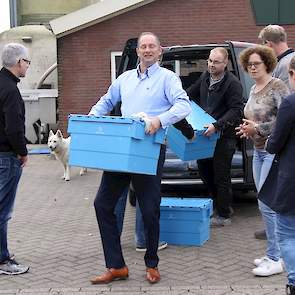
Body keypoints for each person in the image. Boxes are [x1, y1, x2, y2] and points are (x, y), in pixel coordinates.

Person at [88, 32, 191, 284]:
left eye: (151, 46)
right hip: (122, 149)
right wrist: (92, 117)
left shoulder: (168, 78)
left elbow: (183, 105)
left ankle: (152, 263)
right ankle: (116, 266)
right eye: (143, 46)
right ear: (138, 51)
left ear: (159, 51)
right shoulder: (124, 79)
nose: (147, 50)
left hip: (149, 148)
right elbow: (107, 100)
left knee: (149, 208)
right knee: (103, 204)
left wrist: (158, 120)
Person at [237, 45, 289, 277]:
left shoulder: (277, 86)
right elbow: (252, 118)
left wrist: (258, 128)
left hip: (273, 152)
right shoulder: (253, 89)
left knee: (268, 205)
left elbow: (286, 119)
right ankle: (272, 253)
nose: (252, 67)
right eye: (249, 64)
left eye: (256, 63)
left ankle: (278, 257)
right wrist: (247, 129)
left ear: (267, 63)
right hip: (257, 150)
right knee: (263, 203)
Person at [187, 47, 244, 226]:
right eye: (210, 61)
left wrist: (217, 125)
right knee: (204, 171)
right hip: (205, 134)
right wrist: (176, 100)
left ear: (225, 63)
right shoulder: (205, 77)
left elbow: (236, 110)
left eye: (216, 62)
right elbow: (190, 93)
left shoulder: (233, 83)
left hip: (224, 136)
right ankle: (218, 204)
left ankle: (224, 214)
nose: (211, 65)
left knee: (221, 175)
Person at [254, 24, 295, 240]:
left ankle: (278, 238)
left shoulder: (286, 65)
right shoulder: (287, 61)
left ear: (268, 44)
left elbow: (285, 109)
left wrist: (263, 131)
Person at [263, 56, 295, 295]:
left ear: (292, 74)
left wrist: (268, 140)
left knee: (285, 233)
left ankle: (294, 283)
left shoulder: (291, 103)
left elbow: (275, 143)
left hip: (291, 180)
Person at [0, 43, 30, 275]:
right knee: (2, 210)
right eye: (27, 62)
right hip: (6, 157)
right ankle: (3, 261)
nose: (28, 66)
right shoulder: (10, 89)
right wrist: (22, 152)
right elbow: (13, 127)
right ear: (19, 62)